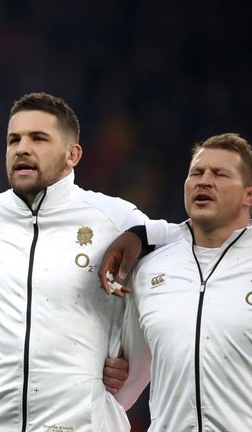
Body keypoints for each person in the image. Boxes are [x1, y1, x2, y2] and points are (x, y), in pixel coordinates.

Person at [0, 92, 144, 431]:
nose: (22, 148)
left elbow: (182, 246)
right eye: (14, 139)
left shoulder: (112, 217)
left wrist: (142, 236)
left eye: (38, 138)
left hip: (84, 422)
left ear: (73, 154)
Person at [105, 133, 252, 430]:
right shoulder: (149, 269)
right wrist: (106, 370)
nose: (204, 181)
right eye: (196, 173)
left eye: (220, 174)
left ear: (249, 195)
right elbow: (121, 382)